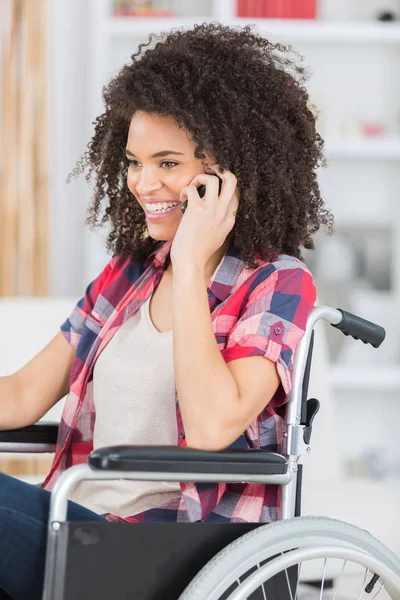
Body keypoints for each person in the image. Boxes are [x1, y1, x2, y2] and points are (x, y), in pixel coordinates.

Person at [0, 22, 334, 599]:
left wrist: (190, 262)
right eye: (133, 161)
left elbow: (211, 427)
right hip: (77, 521)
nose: (142, 182)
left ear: (230, 174)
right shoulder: (128, 273)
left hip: (164, 550)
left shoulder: (278, 283)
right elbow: (23, 394)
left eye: (168, 163)